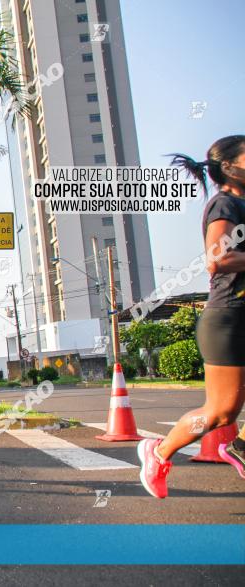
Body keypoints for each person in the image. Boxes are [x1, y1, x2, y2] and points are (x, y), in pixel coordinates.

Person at [138, 136, 245, 498]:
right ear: (230, 167)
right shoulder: (225, 205)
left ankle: (241, 446)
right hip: (229, 316)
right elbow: (217, 259)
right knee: (220, 412)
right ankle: (160, 450)